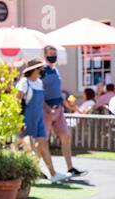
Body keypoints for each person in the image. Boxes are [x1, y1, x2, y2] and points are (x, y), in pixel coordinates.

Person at [17, 59, 70, 182]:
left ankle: (53, 174)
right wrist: (19, 120)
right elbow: (17, 101)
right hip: (27, 118)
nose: (43, 70)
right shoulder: (24, 82)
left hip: (39, 118)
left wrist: (49, 110)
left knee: (43, 144)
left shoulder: (39, 83)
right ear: (35, 70)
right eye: (40, 68)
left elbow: (41, 101)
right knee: (28, 148)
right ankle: (26, 175)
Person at [42, 45, 87, 178]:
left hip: (59, 108)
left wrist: (65, 104)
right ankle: (35, 169)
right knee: (42, 141)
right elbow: (39, 91)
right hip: (46, 110)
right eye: (50, 54)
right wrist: (47, 108)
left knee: (66, 136)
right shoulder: (42, 71)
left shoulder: (56, 70)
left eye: (54, 54)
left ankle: (70, 168)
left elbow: (57, 89)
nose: (53, 56)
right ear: (45, 56)